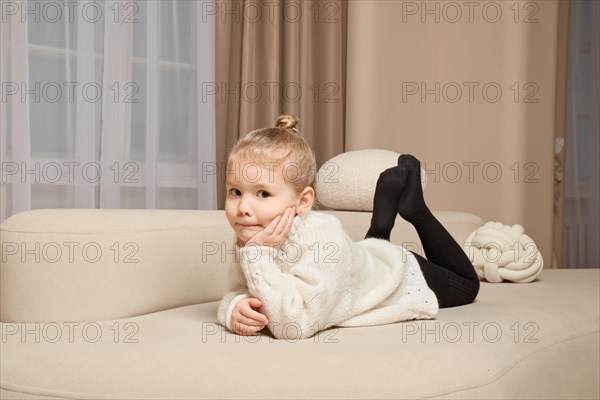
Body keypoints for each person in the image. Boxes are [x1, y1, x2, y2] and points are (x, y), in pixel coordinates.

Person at [216, 114, 480, 340]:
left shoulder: (319, 237)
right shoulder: (254, 236)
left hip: (396, 273)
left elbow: (295, 324)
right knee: (368, 255)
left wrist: (258, 254)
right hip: (359, 263)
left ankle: (416, 210)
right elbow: (242, 290)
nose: (243, 207)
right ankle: (381, 226)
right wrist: (234, 308)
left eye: (263, 194)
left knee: (468, 287)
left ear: (303, 201)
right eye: (236, 191)